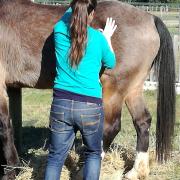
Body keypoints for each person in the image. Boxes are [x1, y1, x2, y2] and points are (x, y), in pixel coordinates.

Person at [45, 0, 117, 179]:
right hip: (90, 105)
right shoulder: (99, 39)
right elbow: (111, 63)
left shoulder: (59, 30)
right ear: (91, 14)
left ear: (73, 10)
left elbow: (69, 13)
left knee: (55, 158)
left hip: (61, 103)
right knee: (93, 153)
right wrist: (107, 37)